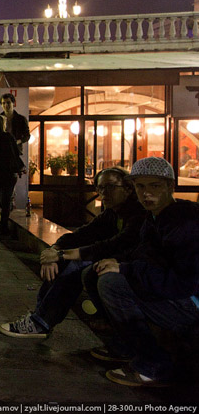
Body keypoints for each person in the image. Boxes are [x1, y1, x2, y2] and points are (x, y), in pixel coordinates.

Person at [89, 157, 199, 387]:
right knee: (94, 273)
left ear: (170, 186)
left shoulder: (185, 222)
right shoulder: (154, 217)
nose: (146, 193)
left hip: (190, 303)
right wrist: (118, 262)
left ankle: (154, 365)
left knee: (112, 284)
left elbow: (180, 282)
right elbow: (143, 255)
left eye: (155, 186)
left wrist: (125, 268)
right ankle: (127, 346)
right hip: (174, 293)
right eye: (140, 186)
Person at [0, 167, 146, 338]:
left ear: (128, 188)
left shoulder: (138, 213)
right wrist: (54, 250)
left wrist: (62, 255)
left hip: (138, 268)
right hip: (117, 261)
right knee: (65, 263)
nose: (104, 193)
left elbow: (113, 245)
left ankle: (40, 322)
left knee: (78, 267)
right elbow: (81, 234)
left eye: (110, 187)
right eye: (100, 188)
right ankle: (39, 319)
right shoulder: (112, 213)